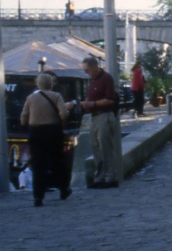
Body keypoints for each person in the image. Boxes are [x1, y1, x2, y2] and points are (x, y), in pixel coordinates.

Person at [19, 72, 71, 206]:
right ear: (51, 84)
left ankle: (38, 196)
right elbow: (64, 113)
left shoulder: (31, 98)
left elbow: (24, 117)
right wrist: (61, 122)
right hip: (53, 131)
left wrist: (28, 123)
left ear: (38, 84)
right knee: (57, 161)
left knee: (38, 164)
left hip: (36, 132)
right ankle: (64, 189)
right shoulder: (56, 96)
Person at [74, 54, 122, 188]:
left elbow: (110, 99)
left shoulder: (106, 78)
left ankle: (110, 177)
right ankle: (100, 176)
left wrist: (92, 104)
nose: (86, 73)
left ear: (94, 67)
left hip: (104, 115)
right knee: (96, 148)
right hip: (94, 116)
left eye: (87, 70)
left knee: (105, 147)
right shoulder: (93, 80)